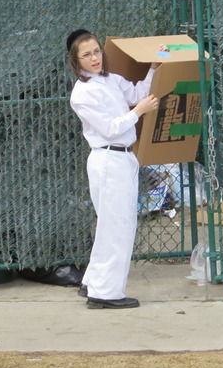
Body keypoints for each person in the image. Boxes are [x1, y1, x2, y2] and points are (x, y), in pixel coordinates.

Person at [67, 29, 159, 308]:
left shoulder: (110, 79)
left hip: (123, 158)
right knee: (117, 225)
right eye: (86, 55)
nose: (94, 58)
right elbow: (109, 129)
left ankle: (92, 281)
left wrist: (154, 69)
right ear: (76, 60)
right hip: (107, 158)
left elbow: (138, 93)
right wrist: (139, 111)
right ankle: (105, 292)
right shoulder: (82, 94)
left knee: (113, 222)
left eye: (96, 51)